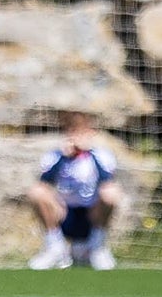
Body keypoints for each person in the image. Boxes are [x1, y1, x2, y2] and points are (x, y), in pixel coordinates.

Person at [26, 110, 123, 271]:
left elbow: (106, 180)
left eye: (80, 131)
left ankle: (97, 248)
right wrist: (64, 158)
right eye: (71, 131)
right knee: (37, 191)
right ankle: (54, 248)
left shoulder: (101, 155)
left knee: (111, 192)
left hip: (91, 214)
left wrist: (88, 152)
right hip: (64, 213)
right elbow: (45, 181)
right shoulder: (55, 155)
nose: (76, 136)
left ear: (91, 132)